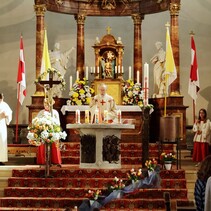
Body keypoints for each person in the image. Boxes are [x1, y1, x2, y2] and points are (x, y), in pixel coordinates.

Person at [36, 98, 62, 165]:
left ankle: (55, 160)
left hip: (52, 130)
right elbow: (37, 121)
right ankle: (42, 161)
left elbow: (58, 123)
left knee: (54, 144)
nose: (46, 106)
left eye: (47, 104)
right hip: (43, 130)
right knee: (42, 143)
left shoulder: (55, 112)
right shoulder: (41, 112)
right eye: (45, 104)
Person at [0, 93, 12, 165]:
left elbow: (9, 113)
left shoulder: (4, 104)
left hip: (1, 125)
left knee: (2, 141)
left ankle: (1, 159)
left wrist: (6, 115)